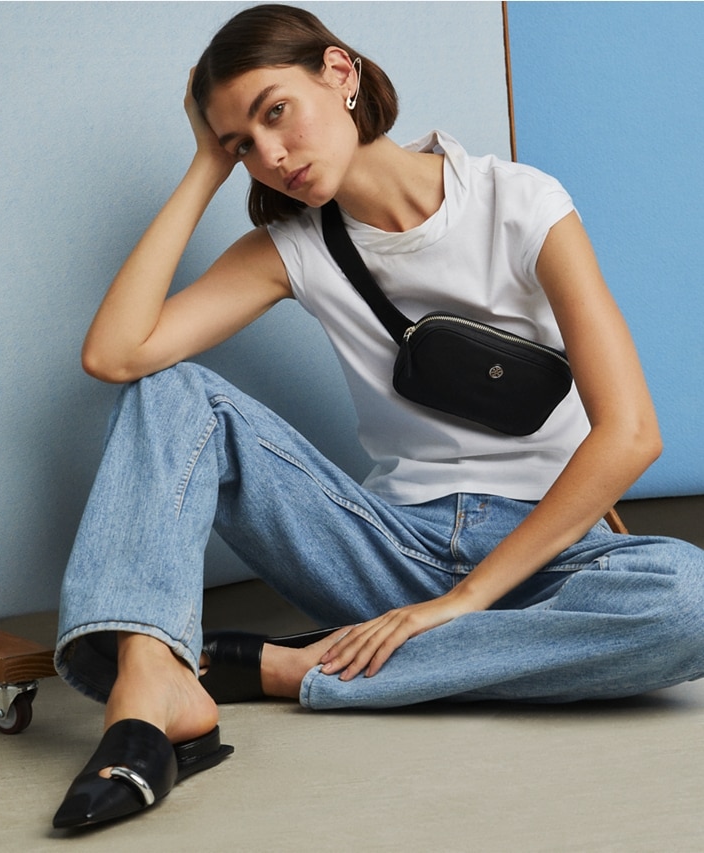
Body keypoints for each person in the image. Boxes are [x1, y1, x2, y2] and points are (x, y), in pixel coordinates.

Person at [52, 3, 704, 830]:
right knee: (168, 391)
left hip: (544, 552)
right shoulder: (296, 247)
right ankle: (152, 684)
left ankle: (289, 668)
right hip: (386, 546)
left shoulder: (517, 202)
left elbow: (632, 432)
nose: (270, 155)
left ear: (340, 72)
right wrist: (205, 166)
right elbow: (118, 355)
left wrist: (460, 602)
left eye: (275, 112)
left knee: (689, 597)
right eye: (243, 144)